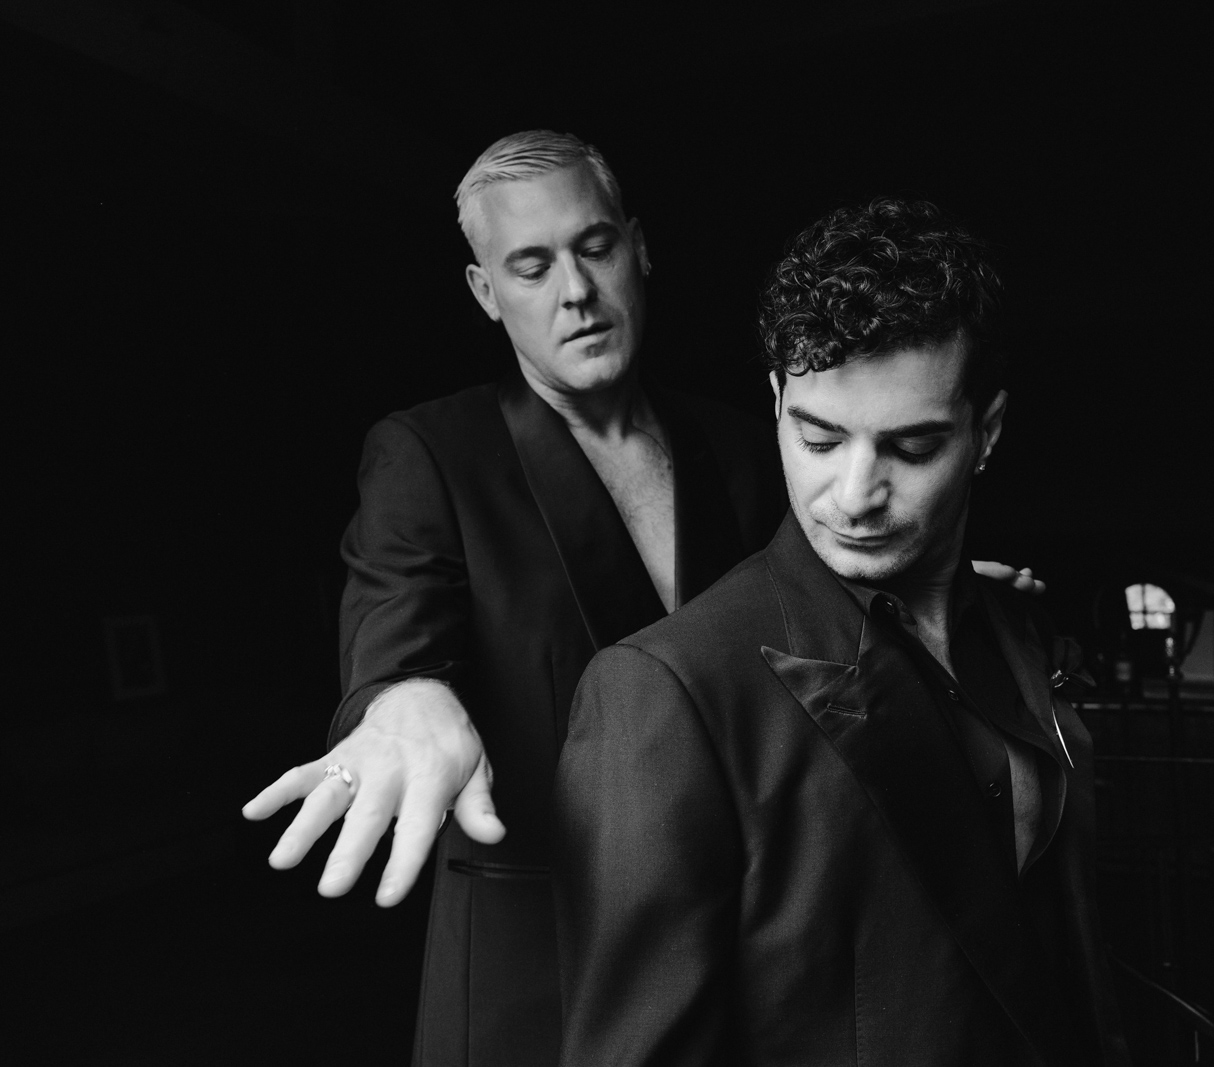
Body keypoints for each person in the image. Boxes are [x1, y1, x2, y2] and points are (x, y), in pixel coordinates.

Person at [242, 135, 1045, 1066]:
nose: (575, 291)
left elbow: (806, 601)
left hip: (750, 953)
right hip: (534, 961)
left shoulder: (752, 445)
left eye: (594, 248)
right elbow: (397, 605)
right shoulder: (431, 451)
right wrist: (399, 698)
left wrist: (928, 589)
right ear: (484, 292)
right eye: (530, 267)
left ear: (639, 247)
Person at [553, 199, 1130, 1066]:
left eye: (912, 447)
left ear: (987, 434)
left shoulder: (1015, 632)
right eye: (819, 438)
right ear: (778, 401)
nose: (855, 494)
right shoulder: (664, 688)